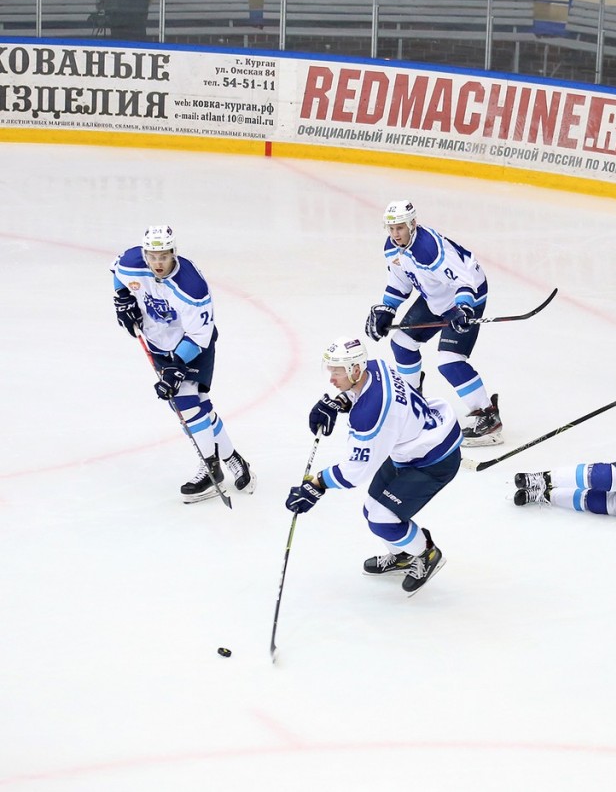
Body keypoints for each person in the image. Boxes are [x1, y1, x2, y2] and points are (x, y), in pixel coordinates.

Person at [286, 337, 455, 597]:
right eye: (330, 371)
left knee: (382, 519)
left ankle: (427, 553)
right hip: (415, 445)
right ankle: (402, 557)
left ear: (355, 369)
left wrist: (317, 483)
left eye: (337, 373)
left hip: (433, 460)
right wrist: (341, 401)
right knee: (371, 510)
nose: (331, 380)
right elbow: (365, 394)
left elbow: (355, 472)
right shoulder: (376, 367)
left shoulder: (370, 416)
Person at [111, 225, 255, 502]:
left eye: (163, 256)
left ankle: (211, 470)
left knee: (186, 405)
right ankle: (232, 457)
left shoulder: (191, 287)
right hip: (157, 342)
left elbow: (199, 335)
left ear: (173, 253)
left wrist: (176, 367)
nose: (157, 263)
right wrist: (122, 298)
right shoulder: (132, 262)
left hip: (192, 346)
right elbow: (116, 271)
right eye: (152, 257)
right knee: (199, 405)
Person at [364, 199, 502, 446]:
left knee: (449, 361)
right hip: (436, 295)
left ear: (413, 224)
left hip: (468, 295)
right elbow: (401, 282)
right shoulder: (392, 248)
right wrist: (388, 308)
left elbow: (464, 280)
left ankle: (488, 416)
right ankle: (413, 405)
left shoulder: (430, 249)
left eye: (401, 228)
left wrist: (463, 308)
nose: (395, 234)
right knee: (402, 344)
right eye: (391, 228)